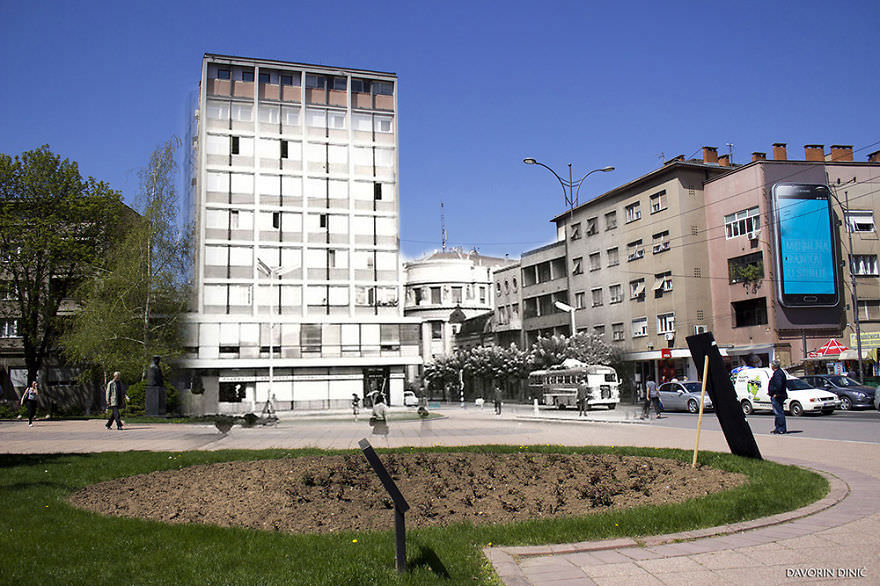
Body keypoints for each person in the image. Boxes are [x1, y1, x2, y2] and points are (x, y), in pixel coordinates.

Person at [768, 360, 787, 434]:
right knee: (777, 413)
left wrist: (776, 393)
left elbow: (779, 384)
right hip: (778, 395)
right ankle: (778, 428)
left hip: (778, 396)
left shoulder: (778, 373)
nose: (771, 366)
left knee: (779, 413)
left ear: (773, 366)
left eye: (771, 365)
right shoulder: (778, 373)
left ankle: (781, 429)